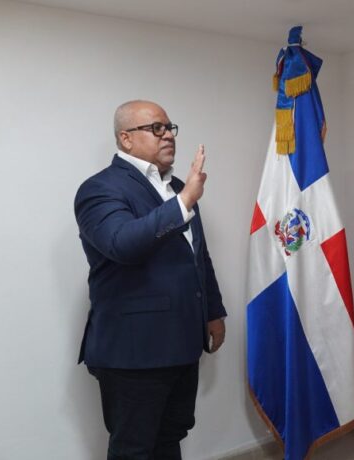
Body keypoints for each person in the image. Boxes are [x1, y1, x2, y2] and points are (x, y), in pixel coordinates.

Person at [75, 100, 227, 459]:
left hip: (183, 341)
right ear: (125, 138)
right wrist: (184, 201)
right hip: (134, 351)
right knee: (134, 448)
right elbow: (122, 244)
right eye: (156, 128)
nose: (168, 136)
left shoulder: (178, 187)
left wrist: (213, 311)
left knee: (171, 435)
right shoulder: (100, 188)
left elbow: (197, 256)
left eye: (169, 127)